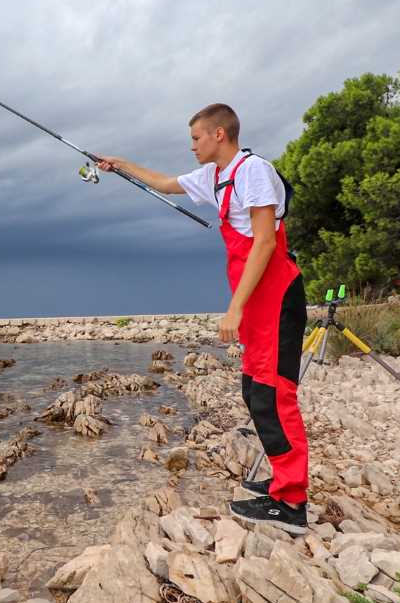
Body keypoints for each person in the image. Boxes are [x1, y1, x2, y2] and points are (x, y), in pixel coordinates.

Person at [97, 103, 309, 535]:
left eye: (196, 138)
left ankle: (292, 504)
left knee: (274, 393)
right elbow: (163, 182)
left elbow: (265, 242)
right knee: (254, 389)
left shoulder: (254, 171)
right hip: (254, 299)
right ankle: (283, 485)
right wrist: (120, 166)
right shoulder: (214, 176)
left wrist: (234, 309)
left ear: (219, 135)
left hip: (276, 295)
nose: (191, 145)